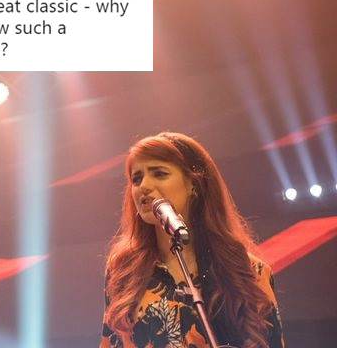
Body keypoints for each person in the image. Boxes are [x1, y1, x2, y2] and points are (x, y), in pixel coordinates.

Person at [100, 132, 284, 348]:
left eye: (159, 173)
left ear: (193, 184)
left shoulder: (249, 271)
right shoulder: (123, 269)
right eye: (136, 179)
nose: (144, 186)